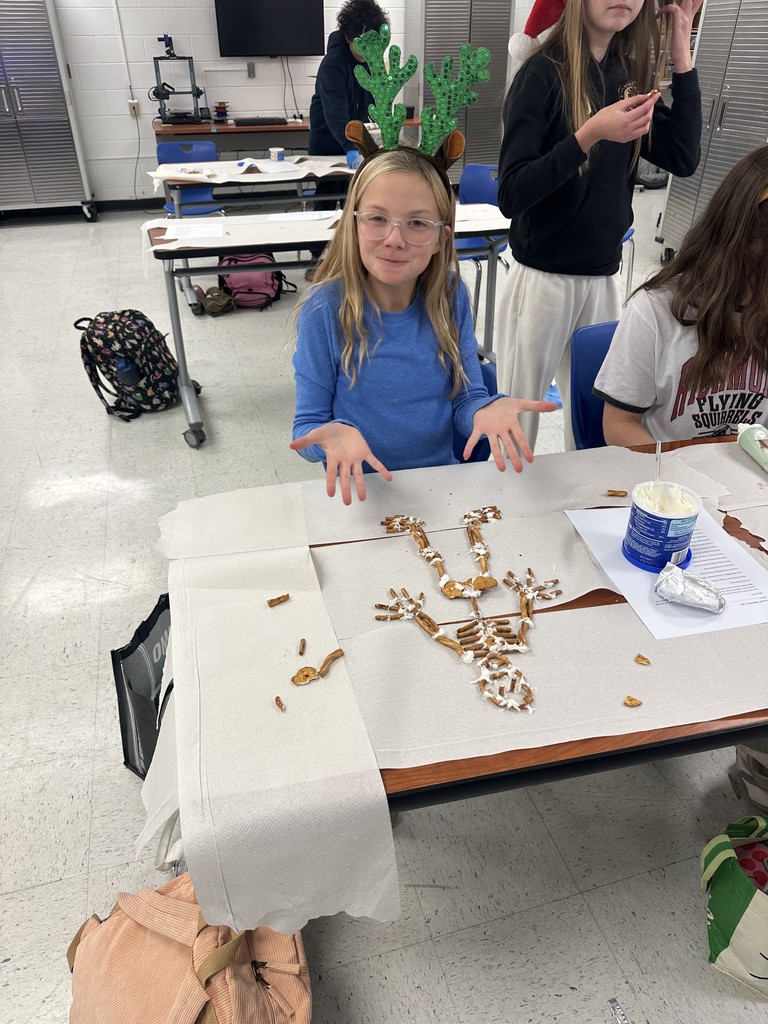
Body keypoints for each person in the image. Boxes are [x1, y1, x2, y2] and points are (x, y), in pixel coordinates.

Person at [290, 147, 556, 504]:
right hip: (361, 497)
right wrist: (331, 435)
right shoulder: (324, 309)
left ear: (440, 238)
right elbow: (307, 427)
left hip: (440, 486)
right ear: (353, 225)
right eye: (377, 218)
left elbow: (466, 399)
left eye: (417, 223)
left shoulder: (448, 294)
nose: (394, 239)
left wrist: (482, 410)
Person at [496, 0, 703, 451]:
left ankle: (586, 511)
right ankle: (504, 513)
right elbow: (511, 194)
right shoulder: (542, 74)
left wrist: (681, 53)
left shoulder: (625, 76)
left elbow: (682, 157)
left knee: (591, 425)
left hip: (602, 278)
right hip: (543, 278)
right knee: (517, 416)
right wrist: (588, 136)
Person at [594, 143, 768, 445]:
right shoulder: (655, 311)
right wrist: (674, 479)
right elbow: (619, 423)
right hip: (671, 474)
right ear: (740, 238)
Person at [305, 0, 389, 278]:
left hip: (360, 144)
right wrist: (349, 147)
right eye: (364, 46)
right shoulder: (333, 65)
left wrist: (376, 137)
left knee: (357, 203)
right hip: (329, 143)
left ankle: (353, 258)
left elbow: (376, 103)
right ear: (350, 38)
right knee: (327, 199)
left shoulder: (373, 61)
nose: (370, 53)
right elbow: (335, 113)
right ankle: (317, 258)